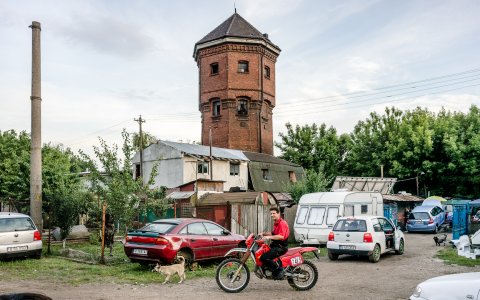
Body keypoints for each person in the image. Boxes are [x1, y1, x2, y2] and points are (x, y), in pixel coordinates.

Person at [259, 207, 290, 280]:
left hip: (281, 247)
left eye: (274, 213)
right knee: (264, 252)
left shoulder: (282, 223)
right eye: (271, 214)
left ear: (278, 213)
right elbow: (272, 233)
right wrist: (263, 234)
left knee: (264, 257)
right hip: (276, 245)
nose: (272, 215)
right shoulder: (277, 223)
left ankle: (279, 270)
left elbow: (281, 236)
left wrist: (269, 237)